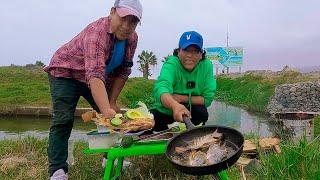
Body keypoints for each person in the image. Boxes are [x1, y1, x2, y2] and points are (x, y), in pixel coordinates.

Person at [43, 0, 142, 179]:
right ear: (112, 12)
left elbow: (123, 71)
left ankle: (107, 157)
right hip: (66, 72)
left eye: (133, 21)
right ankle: (57, 170)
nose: (127, 26)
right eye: (123, 18)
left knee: (112, 118)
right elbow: (95, 75)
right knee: (63, 120)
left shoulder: (132, 39)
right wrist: (106, 110)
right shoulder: (97, 33)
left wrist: (111, 102)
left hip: (96, 76)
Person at [151, 31, 216, 131]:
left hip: (191, 115)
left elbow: (207, 99)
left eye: (195, 51)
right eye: (186, 50)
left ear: (201, 54)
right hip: (166, 111)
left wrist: (180, 98)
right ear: (178, 51)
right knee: (151, 122)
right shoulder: (172, 63)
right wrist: (174, 105)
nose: (190, 55)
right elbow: (161, 88)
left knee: (202, 113)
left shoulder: (206, 65)